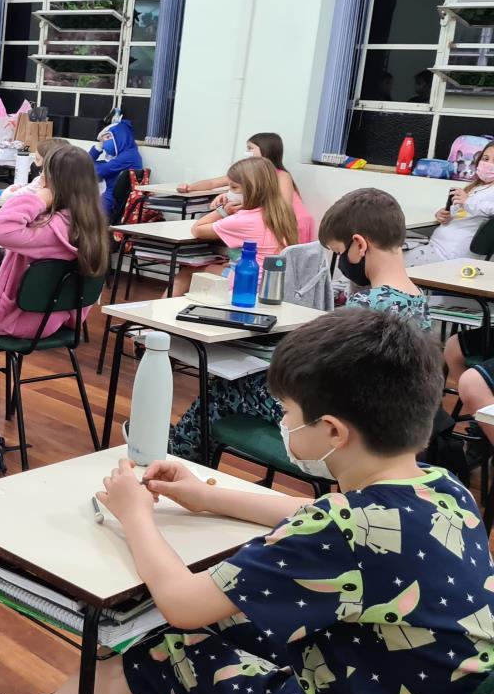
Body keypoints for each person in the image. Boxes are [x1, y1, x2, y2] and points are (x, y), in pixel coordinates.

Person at [0, 309, 493, 694]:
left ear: (333, 432)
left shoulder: (338, 529)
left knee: (154, 642)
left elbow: (186, 606)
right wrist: (208, 495)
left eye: (289, 416)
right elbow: (317, 512)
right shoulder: (444, 490)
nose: (284, 427)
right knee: (197, 625)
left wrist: (135, 514)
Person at [168, 187, 430, 461]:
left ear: (360, 245)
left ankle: (179, 458)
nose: (340, 262)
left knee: (222, 389)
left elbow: (319, 375)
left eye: (339, 252)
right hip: (379, 421)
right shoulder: (418, 299)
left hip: (336, 419)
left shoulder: (365, 308)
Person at [0, 147, 108, 343]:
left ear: (53, 183)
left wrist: (38, 198)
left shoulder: (52, 228)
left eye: (44, 173)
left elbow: (0, 229)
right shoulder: (92, 225)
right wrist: (8, 266)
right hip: (57, 315)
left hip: (24, 319)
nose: (40, 178)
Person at [180, 156, 298, 293]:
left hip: (247, 282)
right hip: (273, 285)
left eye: (234, 187)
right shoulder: (283, 212)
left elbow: (197, 229)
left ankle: (160, 312)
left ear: (252, 189)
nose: (229, 192)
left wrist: (223, 211)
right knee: (223, 265)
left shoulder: (244, 219)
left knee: (187, 272)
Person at [178, 132, 314, 242]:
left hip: (291, 223)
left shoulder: (282, 176)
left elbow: (284, 206)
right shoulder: (248, 173)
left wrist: (241, 204)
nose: (246, 152)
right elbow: (213, 183)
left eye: (250, 148)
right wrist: (189, 187)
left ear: (267, 149)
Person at [406, 139, 494, 267]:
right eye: (485, 159)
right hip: (436, 246)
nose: (488, 164)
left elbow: (484, 208)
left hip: (451, 256)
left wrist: (468, 201)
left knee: (389, 261)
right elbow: (463, 212)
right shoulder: (476, 187)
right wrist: (444, 214)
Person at [89, 115, 143, 216]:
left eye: (108, 137)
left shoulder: (129, 156)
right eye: (103, 141)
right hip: (110, 198)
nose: (104, 143)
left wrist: (95, 151)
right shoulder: (124, 155)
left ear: (121, 136)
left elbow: (95, 170)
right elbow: (85, 165)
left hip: (113, 202)